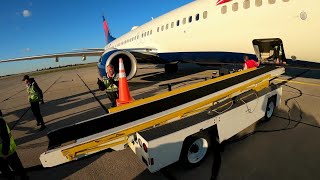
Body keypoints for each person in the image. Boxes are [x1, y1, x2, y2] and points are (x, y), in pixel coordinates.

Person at [0, 110, 29, 180]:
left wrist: (5, 152)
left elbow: (5, 138)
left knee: (17, 169)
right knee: (6, 172)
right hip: (3, 153)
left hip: (7, 151)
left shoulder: (0, 122)